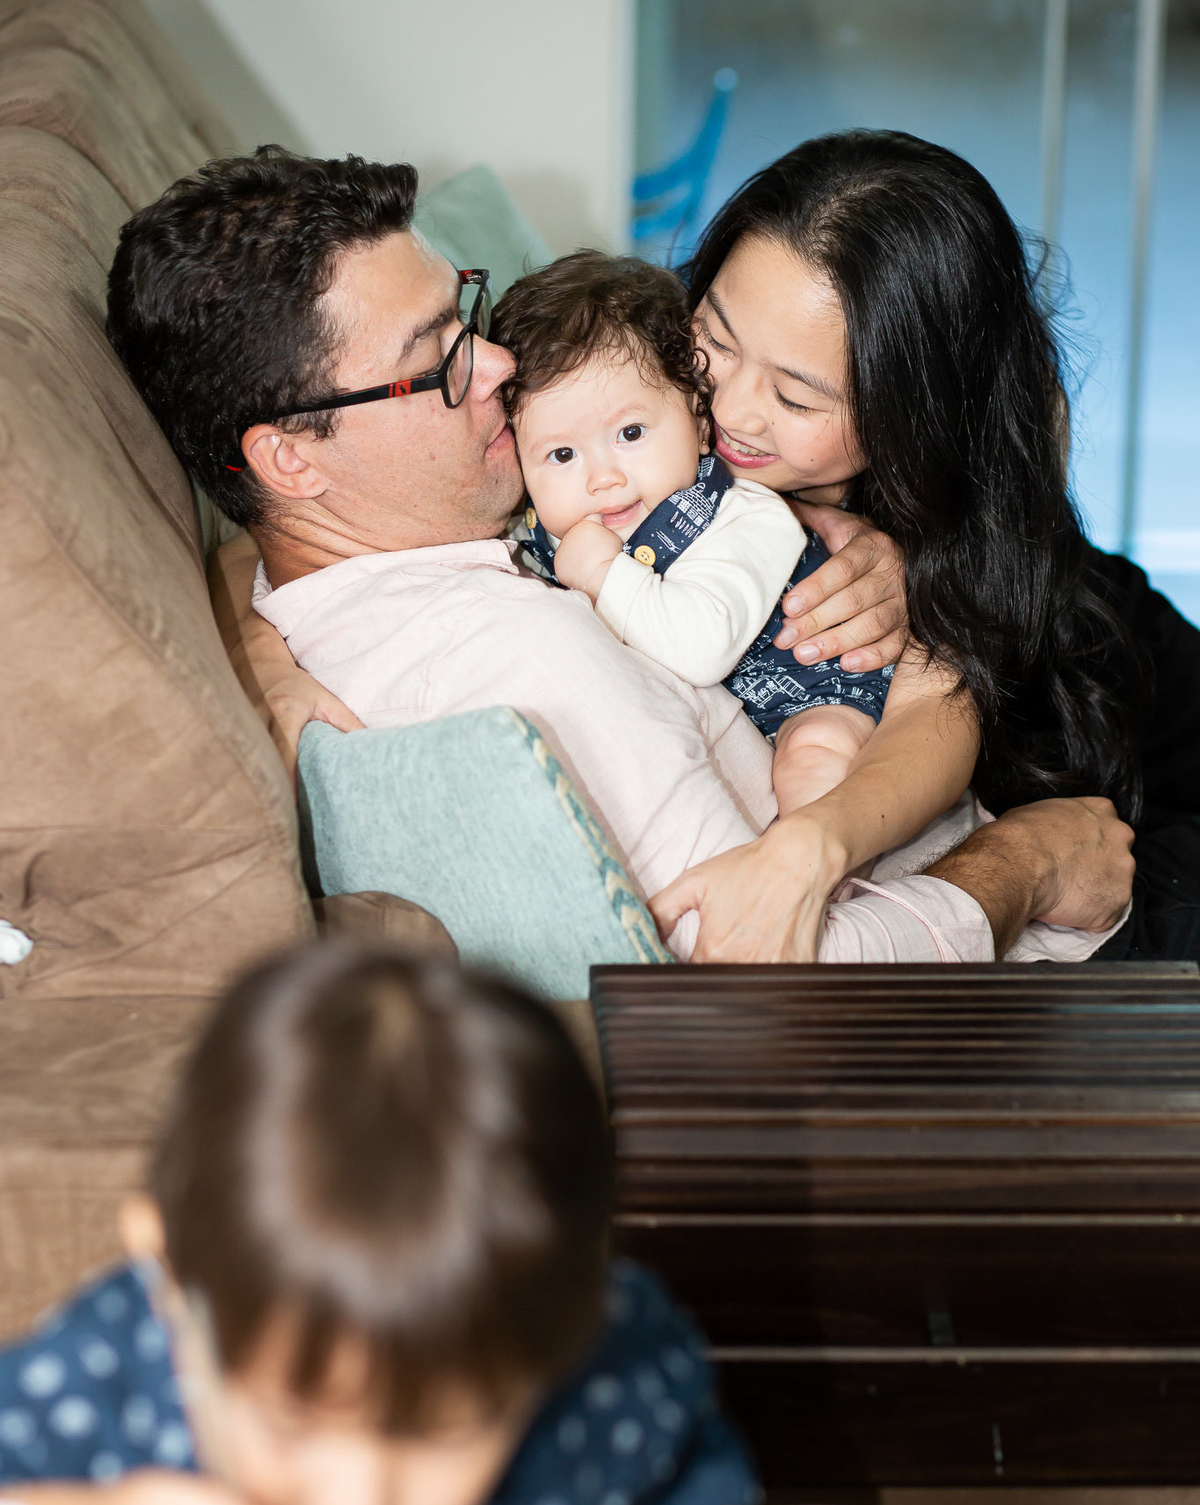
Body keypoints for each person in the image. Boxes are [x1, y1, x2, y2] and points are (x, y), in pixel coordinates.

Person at [105, 146, 1134, 965]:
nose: (503, 364)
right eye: (440, 359)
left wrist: (255, 639)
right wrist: (1031, 861)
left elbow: (265, 538)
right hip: (1049, 858)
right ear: (290, 456)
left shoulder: (433, 520)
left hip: (1097, 680)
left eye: (468, 310)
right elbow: (792, 977)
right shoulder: (526, 645)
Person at [0, 940, 759, 1505]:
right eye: (292, 1426)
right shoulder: (98, 1377)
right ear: (169, 1282)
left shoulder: (593, 1350)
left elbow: (678, 1476)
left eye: (446, 1435)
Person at [655, 128, 1200, 963]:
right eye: (716, 341)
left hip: (1132, 800)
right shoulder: (638, 418)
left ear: (919, 417)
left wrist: (915, 566)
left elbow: (943, 712)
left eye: (797, 398)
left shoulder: (974, 566)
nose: (732, 409)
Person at [492, 248, 934, 816]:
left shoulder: (747, 515)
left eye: (630, 432)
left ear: (700, 423)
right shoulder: (539, 529)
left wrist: (604, 575)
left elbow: (700, 651)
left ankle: (820, 876)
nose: (603, 477)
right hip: (726, 718)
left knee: (813, 758)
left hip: (817, 688)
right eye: (560, 453)